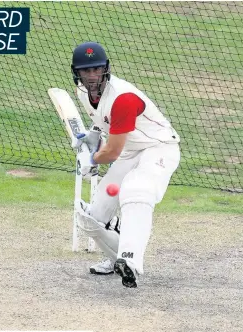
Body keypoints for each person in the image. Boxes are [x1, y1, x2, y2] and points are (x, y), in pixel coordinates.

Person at [71, 41, 181, 288]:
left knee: (136, 189)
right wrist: (94, 134)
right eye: (86, 70)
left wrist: (91, 160)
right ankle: (115, 259)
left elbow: (111, 152)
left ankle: (130, 259)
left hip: (158, 147)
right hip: (129, 151)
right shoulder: (83, 93)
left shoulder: (123, 98)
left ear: (105, 69)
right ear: (76, 72)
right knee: (94, 217)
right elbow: (102, 120)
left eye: (96, 69)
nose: (92, 76)